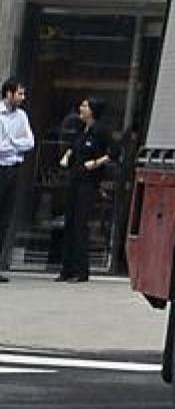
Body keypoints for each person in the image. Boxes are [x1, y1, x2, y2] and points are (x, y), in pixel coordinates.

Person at [56, 98, 117, 283]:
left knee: (81, 224)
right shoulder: (81, 130)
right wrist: (66, 156)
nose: (81, 109)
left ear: (92, 110)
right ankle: (66, 269)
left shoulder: (101, 131)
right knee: (70, 223)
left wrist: (96, 163)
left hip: (89, 183)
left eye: (84, 106)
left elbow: (115, 151)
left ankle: (81, 271)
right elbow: (74, 148)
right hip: (75, 179)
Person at [0, 78, 34, 283]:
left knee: (5, 219)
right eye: (19, 93)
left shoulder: (22, 116)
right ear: (8, 93)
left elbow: (29, 142)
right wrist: (15, 145)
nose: (22, 98)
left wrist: (12, 143)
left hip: (13, 169)